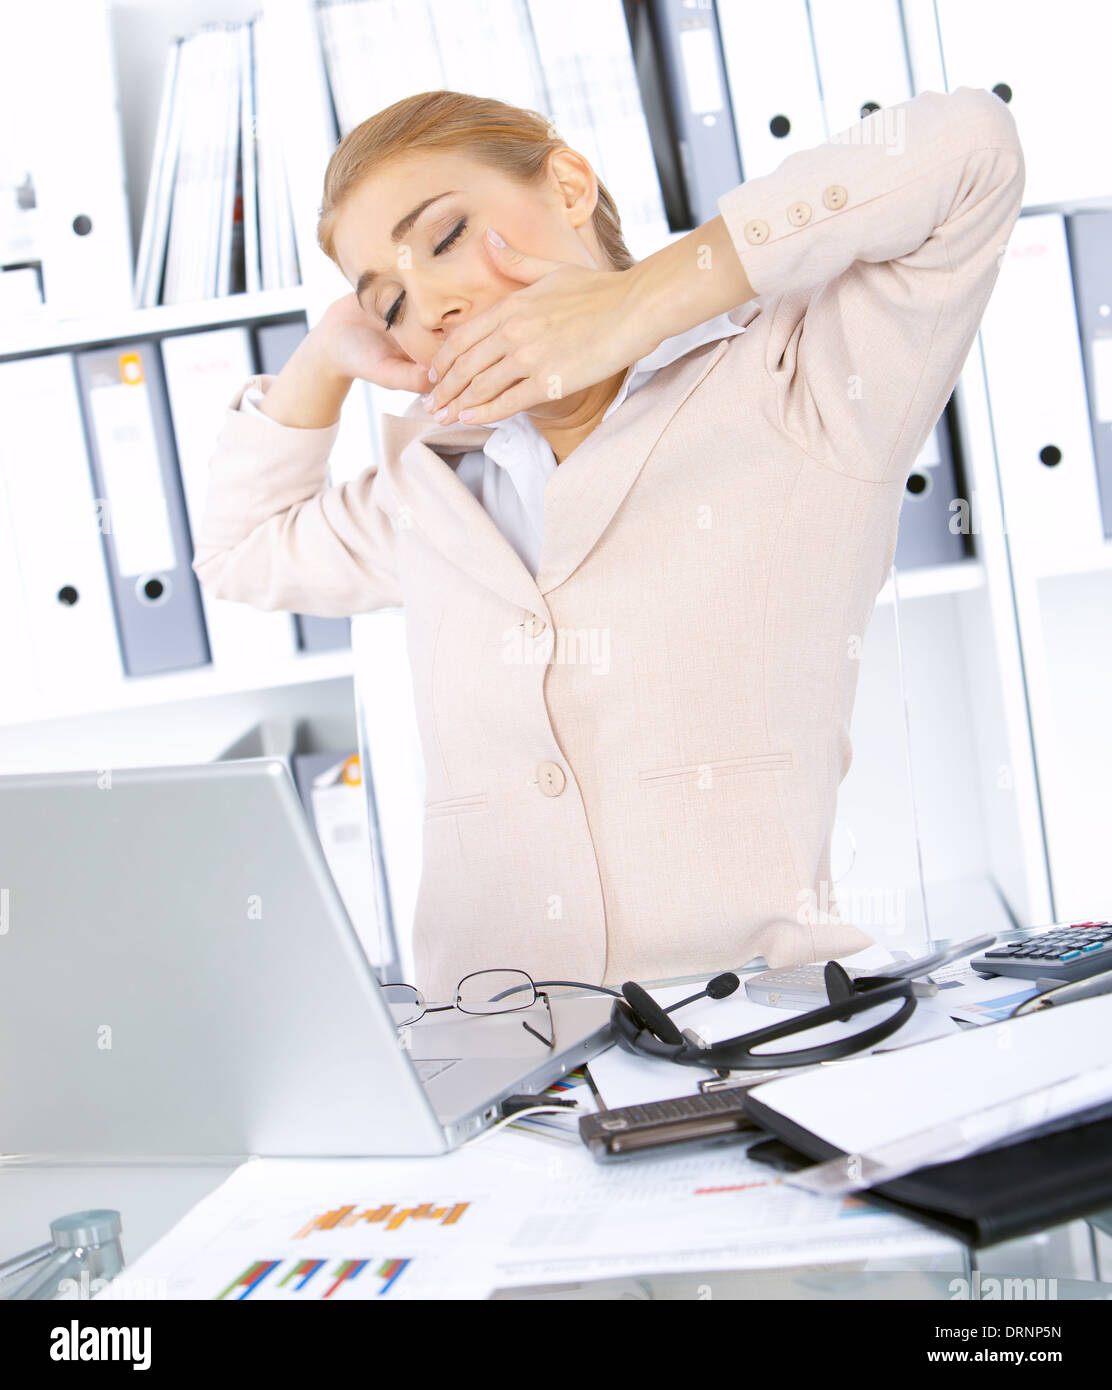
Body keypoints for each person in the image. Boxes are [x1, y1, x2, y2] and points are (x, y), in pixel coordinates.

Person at [192, 85, 1025, 999]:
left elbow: (970, 149)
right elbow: (239, 553)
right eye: (389, 304)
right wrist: (323, 356)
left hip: (750, 1038)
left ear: (568, 185)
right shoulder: (432, 487)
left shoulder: (801, 387)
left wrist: (635, 303)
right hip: (498, 1065)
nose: (428, 306)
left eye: (443, 238)